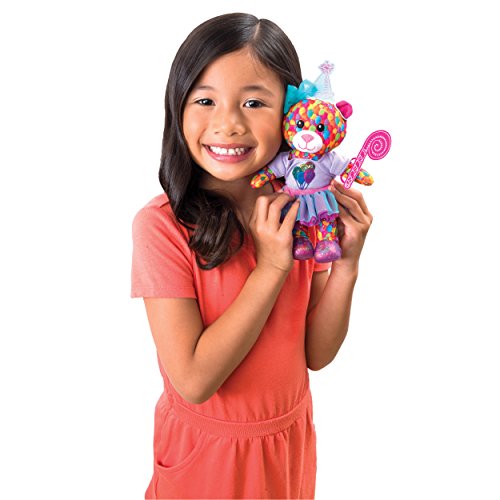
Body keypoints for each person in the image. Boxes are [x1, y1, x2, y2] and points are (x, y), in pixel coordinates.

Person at [130, 12, 373, 499]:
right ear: (177, 108)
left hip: (287, 445)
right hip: (208, 460)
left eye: (254, 102)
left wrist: (346, 264)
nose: (228, 124)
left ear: (291, 112)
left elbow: (316, 353)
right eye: (205, 100)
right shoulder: (161, 226)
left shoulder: (300, 210)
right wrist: (272, 267)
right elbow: (193, 380)